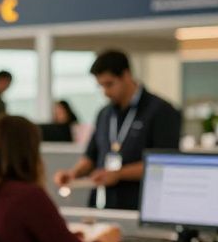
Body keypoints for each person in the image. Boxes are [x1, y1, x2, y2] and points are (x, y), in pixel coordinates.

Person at [52, 50, 182, 210]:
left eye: (109, 84)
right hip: (103, 205)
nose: (105, 92)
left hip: (140, 205)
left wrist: (119, 174)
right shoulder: (105, 114)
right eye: (100, 86)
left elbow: (164, 163)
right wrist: (74, 174)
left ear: (126, 75)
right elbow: (91, 156)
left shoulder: (161, 111)